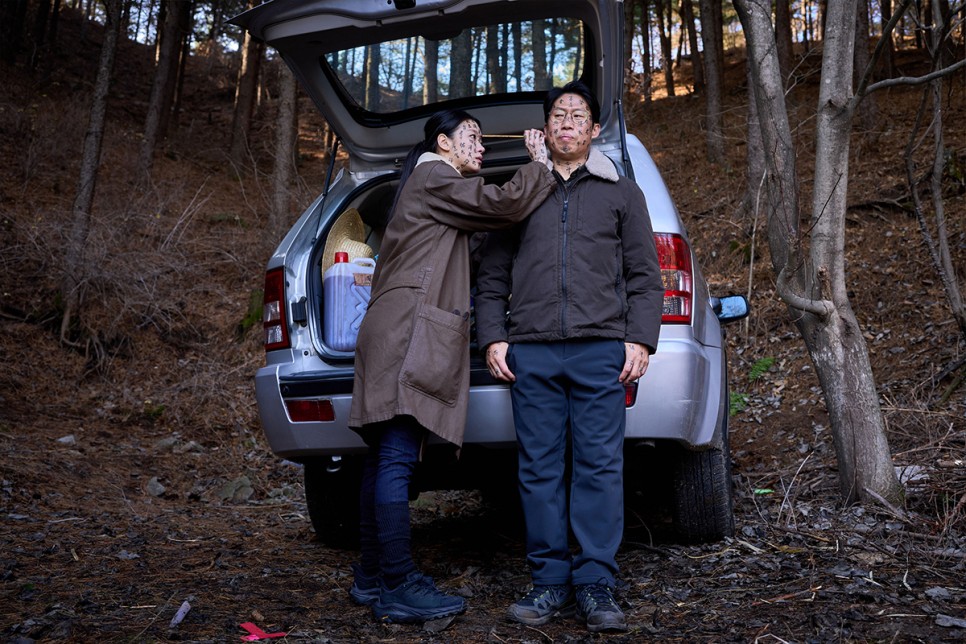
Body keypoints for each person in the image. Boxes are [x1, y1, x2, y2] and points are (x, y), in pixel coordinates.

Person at [346, 109, 556, 624]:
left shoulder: (432, 192)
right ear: (443, 143)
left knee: (381, 459)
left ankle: (371, 577)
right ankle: (399, 582)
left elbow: (477, 242)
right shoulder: (434, 174)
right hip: (406, 332)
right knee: (396, 457)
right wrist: (540, 165)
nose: (481, 148)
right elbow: (501, 204)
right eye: (473, 138)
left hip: (390, 329)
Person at [475, 80, 665, 633]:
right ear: (545, 127)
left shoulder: (620, 192)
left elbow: (645, 277)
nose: (567, 123)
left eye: (577, 115)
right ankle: (549, 582)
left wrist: (639, 340)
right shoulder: (523, 188)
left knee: (600, 468)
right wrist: (493, 337)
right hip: (531, 352)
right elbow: (491, 276)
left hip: (600, 349)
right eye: (558, 115)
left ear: (593, 129)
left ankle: (597, 582)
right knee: (537, 470)